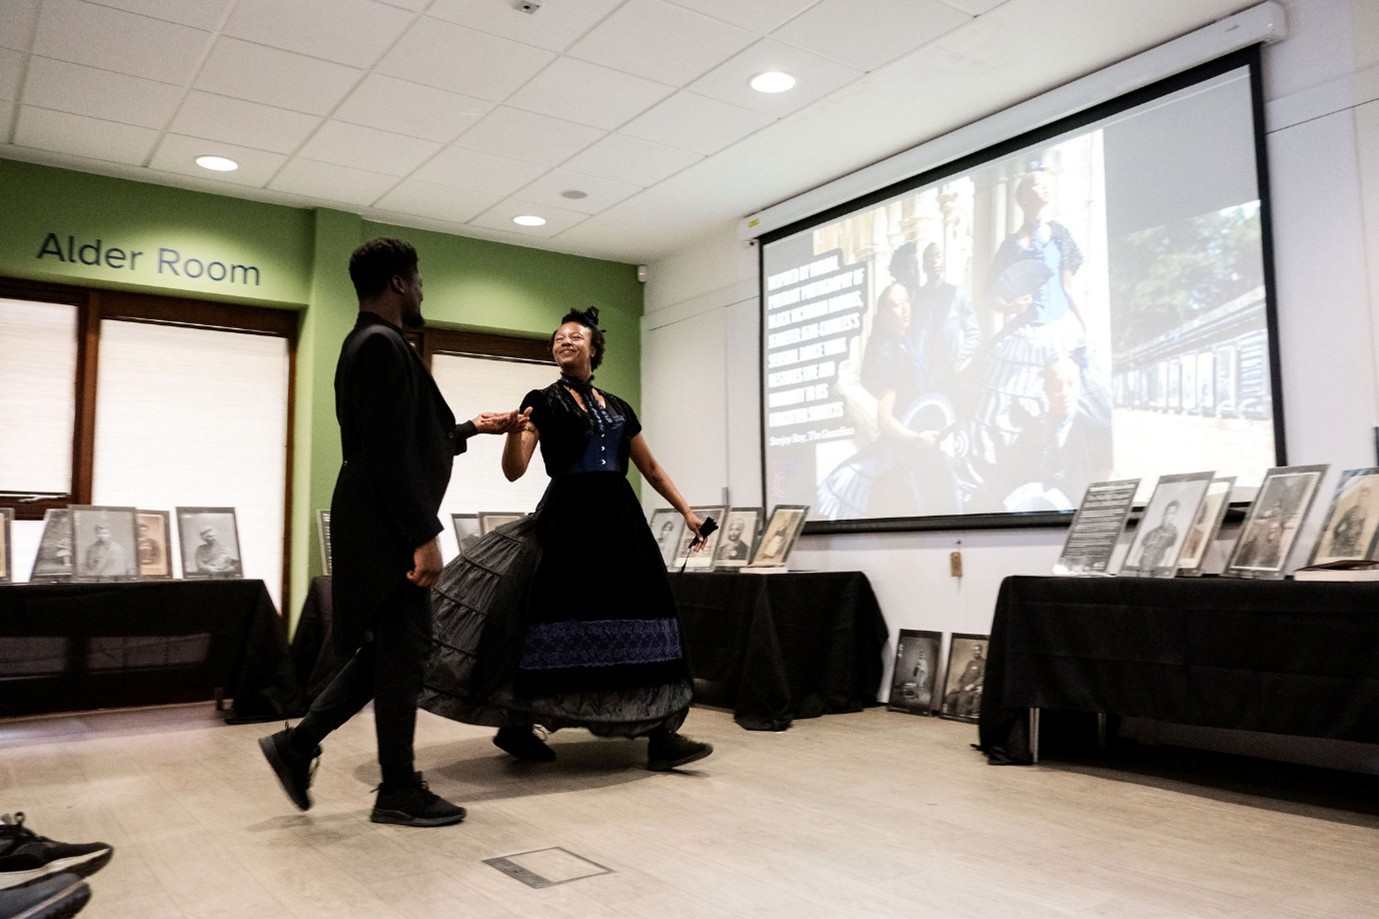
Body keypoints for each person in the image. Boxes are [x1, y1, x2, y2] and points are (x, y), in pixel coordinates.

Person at [258, 237, 523, 827]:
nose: (423, 289)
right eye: (419, 279)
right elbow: (386, 456)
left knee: (395, 654)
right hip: (386, 529)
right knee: (406, 653)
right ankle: (396, 789)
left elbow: (407, 439)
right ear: (400, 283)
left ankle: (298, 746)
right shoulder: (381, 345)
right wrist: (424, 535)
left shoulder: (370, 343)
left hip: (379, 523)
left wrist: (473, 429)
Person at [421, 307, 714, 772]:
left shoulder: (618, 407)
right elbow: (515, 471)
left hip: (621, 524)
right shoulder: (542, 398)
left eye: (575, 336)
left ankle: (662, 733)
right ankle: (519, 725)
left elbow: (652, 470)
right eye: (558, 338)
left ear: (594, 348)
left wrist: (688, 513)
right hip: (568, 523)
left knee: (648, 617)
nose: (565, 342)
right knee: (550, 622)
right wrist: (514, 434)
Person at [817, 282, 962, 518]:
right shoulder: (889, 353)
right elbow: (884, 418)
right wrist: (917, 437)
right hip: (902, 452)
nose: (905, 309)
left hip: (918, 447)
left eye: (906, 301)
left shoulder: (905, 344)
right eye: (896, 305)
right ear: (884, 315)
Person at [943, 643, 986, 719]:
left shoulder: (983, 662)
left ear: (981, 651)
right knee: (950, 697)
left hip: (972, 688)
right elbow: (963, 675)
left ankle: (960, 718)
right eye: (974, 650)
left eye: (977, 650)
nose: (975, 652)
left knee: (963, 700)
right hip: (963, 687)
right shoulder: (970, 663)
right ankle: (950, 717)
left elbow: (982, 677)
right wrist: (958, 684)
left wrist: (972, 685)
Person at [1136, 499, 1181, 571]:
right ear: (1164, 513)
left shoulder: (1174, 534)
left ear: (1175, 516)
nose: (1168, 515)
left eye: (1172, 513)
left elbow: (1170, 556)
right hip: (1142, 569)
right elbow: (1138, 553)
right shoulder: (1151, 533)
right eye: (1167, 512)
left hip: (1157, 570)